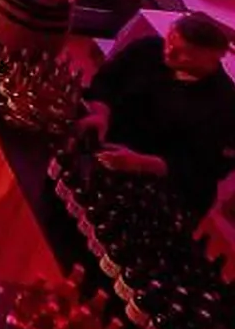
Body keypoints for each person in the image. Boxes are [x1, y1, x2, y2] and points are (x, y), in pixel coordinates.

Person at [77, 12, 235, 218]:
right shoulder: (150, 48)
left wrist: (142, 164)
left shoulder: (226, 105)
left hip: (157, 185)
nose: (168, 52)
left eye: (182, 52)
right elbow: (107, 80)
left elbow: (205, 169)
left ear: (213, 57)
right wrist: (101, 114)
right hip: (105, 141)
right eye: (170, 39)